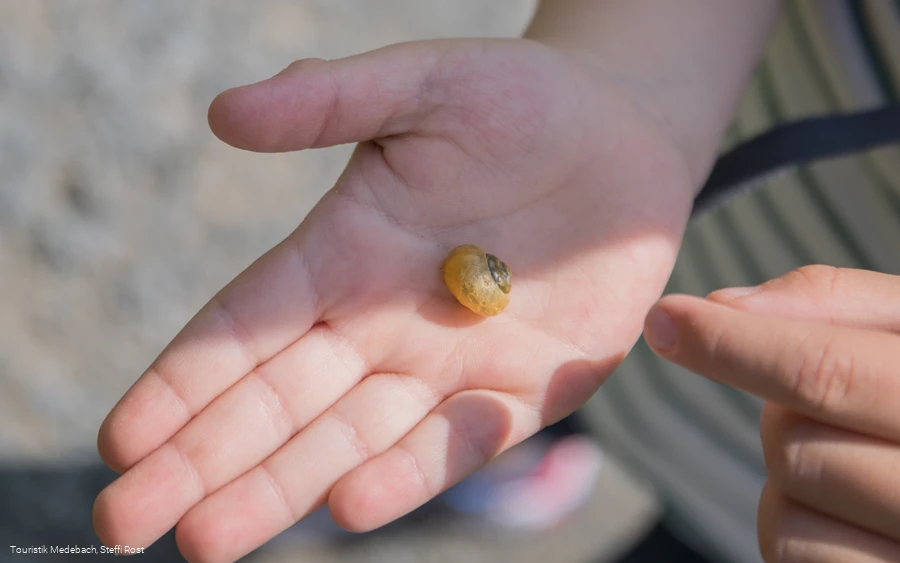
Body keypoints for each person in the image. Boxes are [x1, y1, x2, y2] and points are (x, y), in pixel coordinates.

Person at [90, 1, 900, 562]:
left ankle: (534, 455)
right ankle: (538, 453)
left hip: (800, 499)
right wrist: (632, 76)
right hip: (637, 259)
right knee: (540, 383)